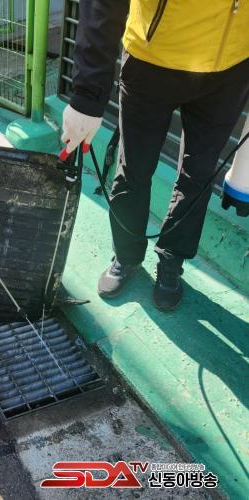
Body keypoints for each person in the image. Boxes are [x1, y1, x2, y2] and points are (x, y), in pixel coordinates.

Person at [61, 0, 249, 310]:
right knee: (133, 168)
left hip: (230, 69)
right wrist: (87, 94)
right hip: (152, 59)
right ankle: (126, 255)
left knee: (199, 176)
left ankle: (172, 261)